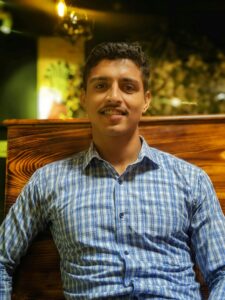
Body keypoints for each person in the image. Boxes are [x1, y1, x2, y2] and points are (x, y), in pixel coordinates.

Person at [0, 42, 225, 299]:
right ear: (84, 97)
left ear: (146, 100)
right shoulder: (48, 181)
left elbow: (222, 272)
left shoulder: (191, 180)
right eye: (101, 85)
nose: (114, 96)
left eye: (128, 87)